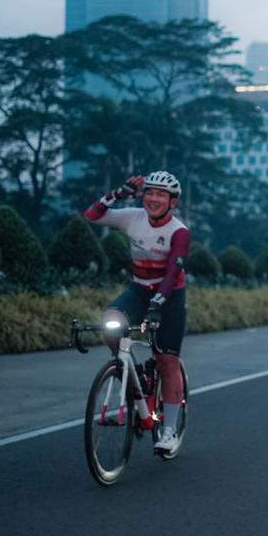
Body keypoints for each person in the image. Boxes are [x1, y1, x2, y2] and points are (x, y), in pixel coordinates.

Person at [84, 171, 190, 452]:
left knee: (167, 360)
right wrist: (118, 194)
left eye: (161, 195)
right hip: (139, 289)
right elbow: (92, 215)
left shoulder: (178, 232)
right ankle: (129, 371)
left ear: (173, 202)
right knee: (111, 321)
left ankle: (169, 431)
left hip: (169, 295)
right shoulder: (132, 216)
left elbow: (172, 273)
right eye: (150, 192)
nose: (153, 199)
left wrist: (157, 305)